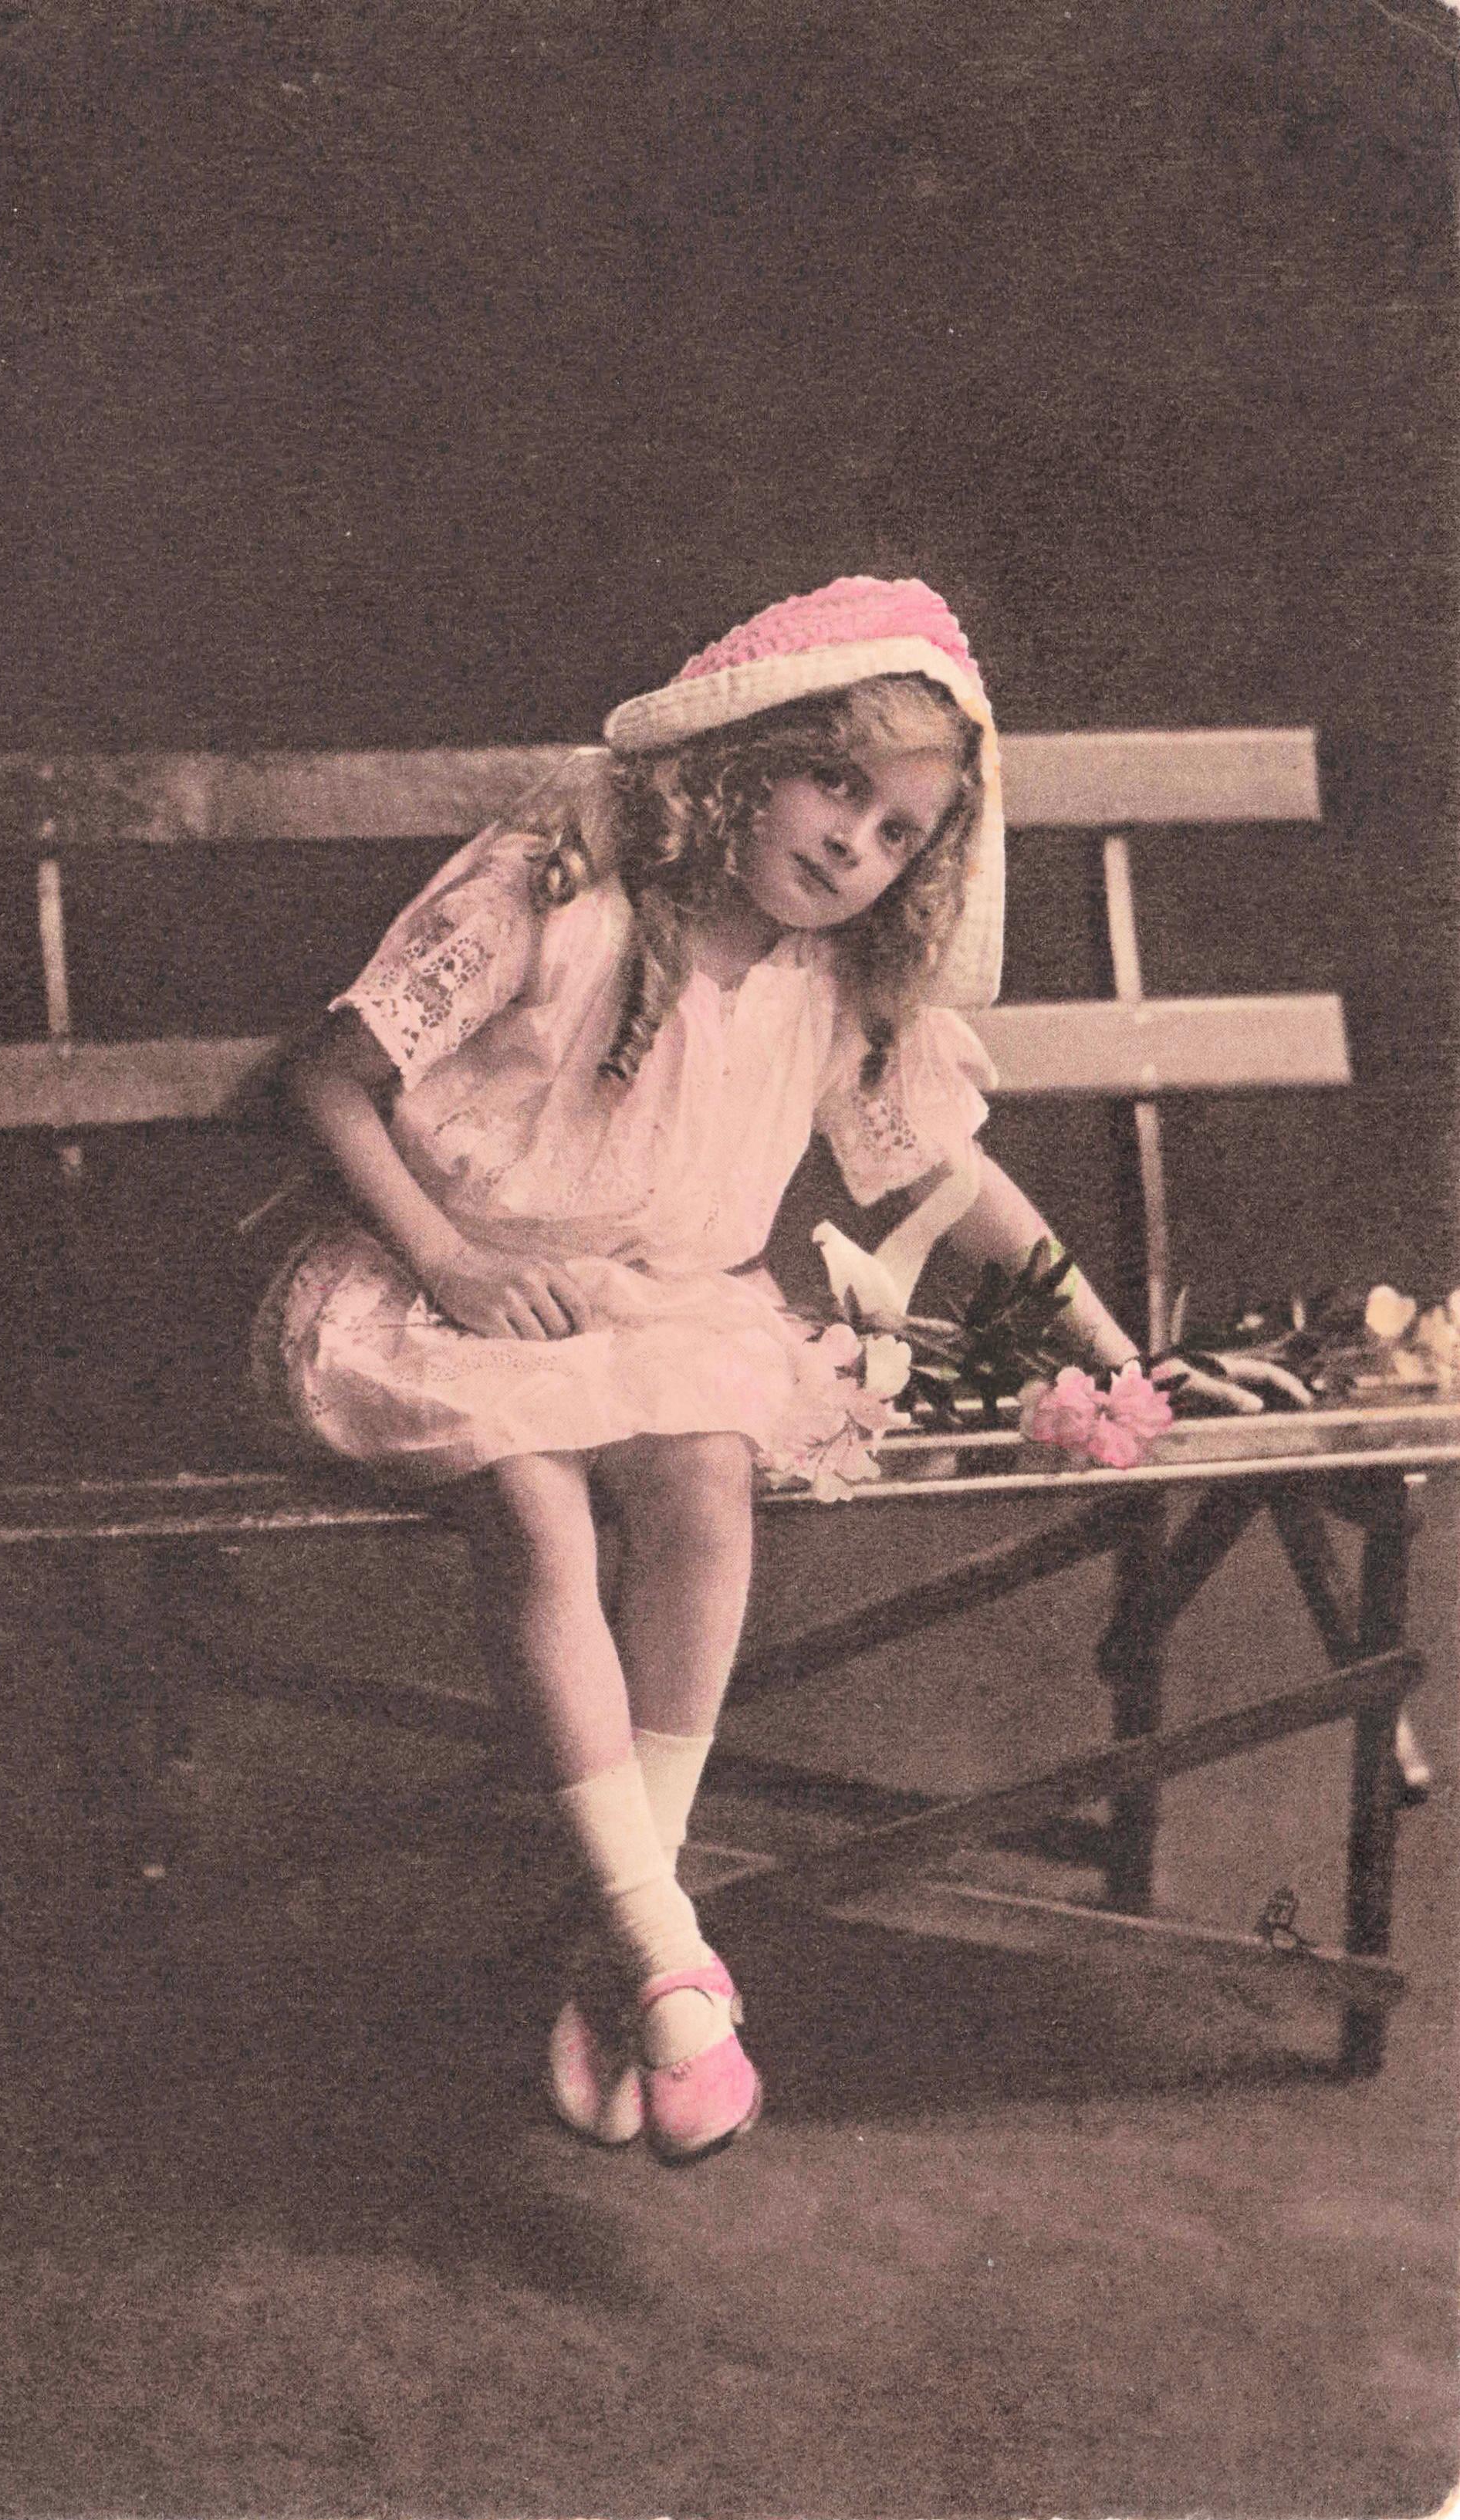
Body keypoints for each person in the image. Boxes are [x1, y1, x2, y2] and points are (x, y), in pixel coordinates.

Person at [247, 577, 1245, 2164]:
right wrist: (446, 1258)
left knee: (705, 1471)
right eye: (832, 784)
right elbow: (326, 1075)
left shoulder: (833, 980)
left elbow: (947, 1177)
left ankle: (635, 1962)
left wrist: (1119, 1356)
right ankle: (662, 1949)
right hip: (446, 1284)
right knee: (536, 1509)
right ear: (740, 760)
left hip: (656, 1309)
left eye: (900, 831)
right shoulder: (566, 884)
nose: (853, 845)